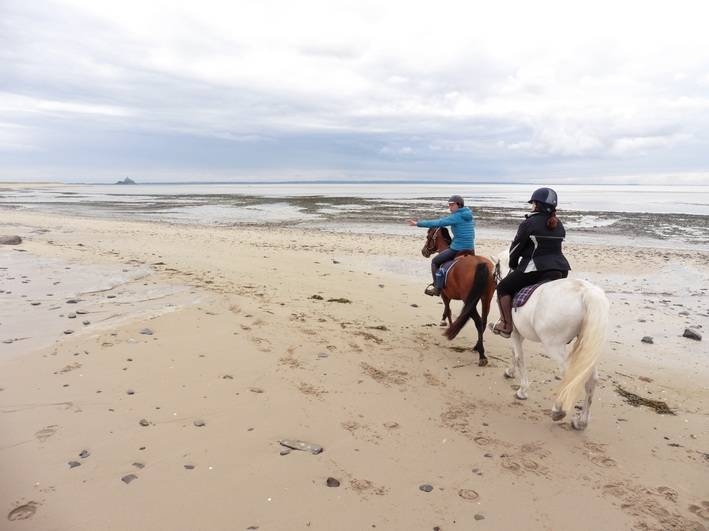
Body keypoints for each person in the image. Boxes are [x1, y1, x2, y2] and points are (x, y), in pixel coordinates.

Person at [492, 187, 570, 338]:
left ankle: (506, 325)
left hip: (536, 268)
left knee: (502, 287)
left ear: (537, 204)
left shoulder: (529, 223)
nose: (532, 205)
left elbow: (515, 248)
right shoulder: (558, 224)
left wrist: (513, 264)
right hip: (561, 269)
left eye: (533, 203)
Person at [407, 194, 475, 296]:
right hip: (470, 248)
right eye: (449, 205)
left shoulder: (456, 216)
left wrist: (418, 223)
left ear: (459, 205)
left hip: (458, 248)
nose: (450, 207)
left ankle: (437, 288)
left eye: (452, 205)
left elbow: (439, 222)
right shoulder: (468, 215)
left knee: (435, 261)